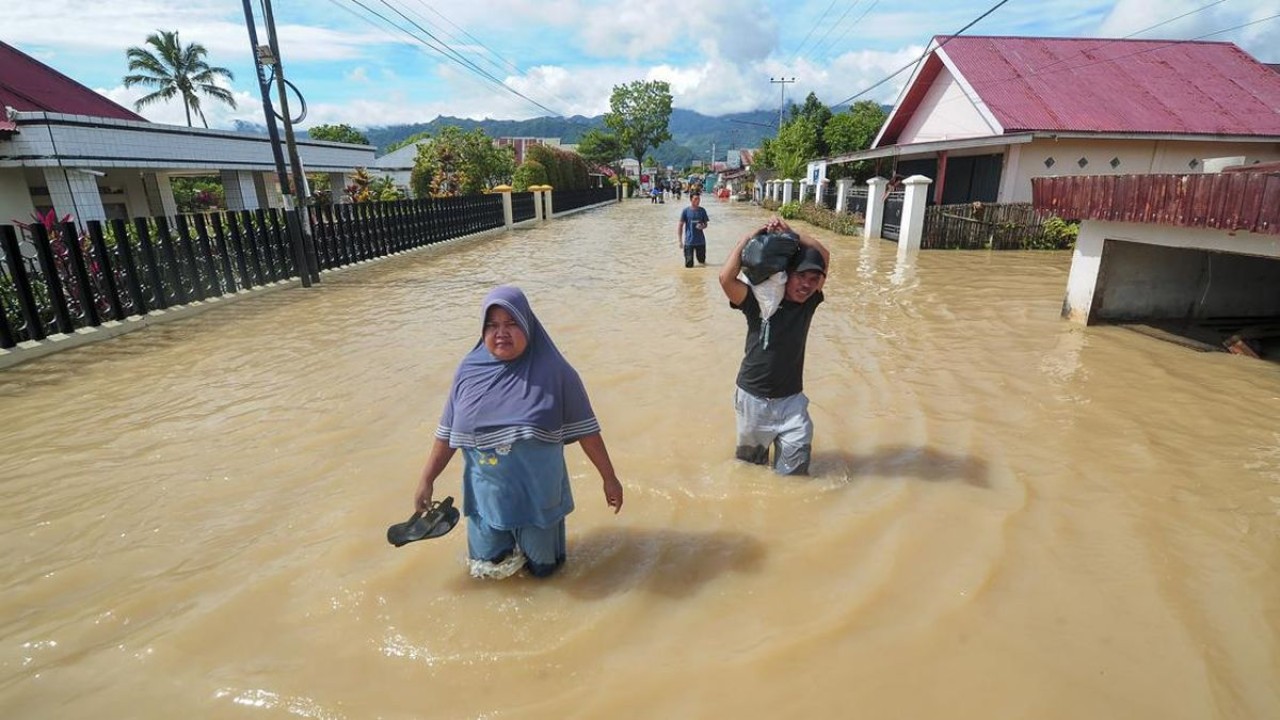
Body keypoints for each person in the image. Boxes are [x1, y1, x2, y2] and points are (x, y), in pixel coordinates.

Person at [412, 285, 624, 578]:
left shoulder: (556, 373)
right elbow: (447, 435)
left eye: (511, 323)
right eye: (492, 325)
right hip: (486, 504)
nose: (501, 333)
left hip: (539, 504)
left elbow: (588, 432)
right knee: (485, 576)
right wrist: (426, 480)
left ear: (527, 324)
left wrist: (609, 479)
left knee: (547, 578)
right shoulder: (467, 372)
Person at [718, 217, 829, 475]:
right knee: (750, 470)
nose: (807, 284)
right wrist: (747, 239)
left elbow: (824, 255)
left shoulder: (808, 303)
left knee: (795, 474)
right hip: (753, 400)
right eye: (801, 276)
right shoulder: (756, 302)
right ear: (786, 276)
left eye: (814, 279)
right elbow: (725, 279)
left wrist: (792, 232)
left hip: (792, 402)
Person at [676, 191, 710, 268]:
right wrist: (680, 241)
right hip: (689, 242)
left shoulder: (702, 211)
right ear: (691, 199)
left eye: (699, 199)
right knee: (689, 265)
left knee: (702, 263)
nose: (698, 201)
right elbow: (680, 226)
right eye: (695, 199)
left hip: (700, 242)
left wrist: (702, 226)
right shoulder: (685, 211)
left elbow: (706, 224)